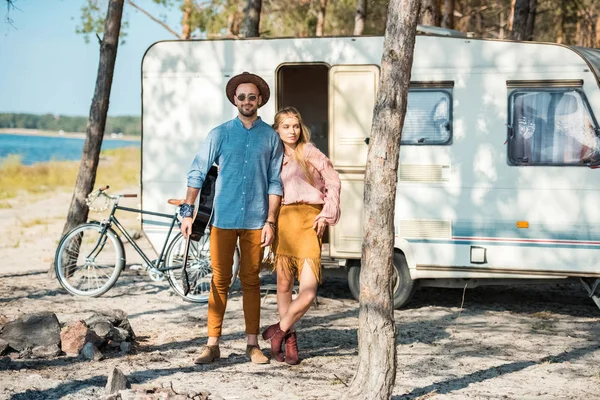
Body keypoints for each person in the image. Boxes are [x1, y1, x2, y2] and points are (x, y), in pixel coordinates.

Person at [181, 72, 283, 365]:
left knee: (251, 281)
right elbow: (197, 172)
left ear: (260, 100)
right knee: (219, 280)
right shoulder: (220, 133)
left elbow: (275, 181)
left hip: (256, 220)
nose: (247, 101)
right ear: (234, 100)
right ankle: (212, 345)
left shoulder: (270, 138)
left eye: (253, 96)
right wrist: (187, 212)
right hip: (222, 220)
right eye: (242, 96)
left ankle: (253, 345)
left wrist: (271, 221)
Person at [262, 107, 341, 365]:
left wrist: (327, 213)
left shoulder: (308, 151)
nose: (292, 131)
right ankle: (290, 340)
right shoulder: (272, 158)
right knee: (284, 285)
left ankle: (278, 330)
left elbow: (332, 177)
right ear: (277, 130)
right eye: (286, 126)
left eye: (295, 125)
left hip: (310, 222)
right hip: (284, 222)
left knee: (307, 291)